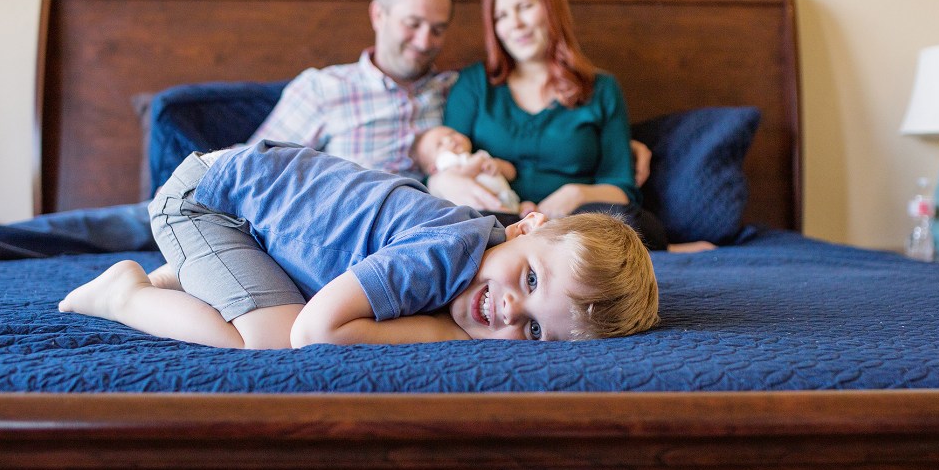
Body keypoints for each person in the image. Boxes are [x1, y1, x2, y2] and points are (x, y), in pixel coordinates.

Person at [0, 0, 503, 262]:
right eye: (412, 23)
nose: (425, 41)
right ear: (378, 15)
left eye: (437, 29)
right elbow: (254, 160)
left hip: (397, 230)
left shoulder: (457, 92)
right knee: (131, 221)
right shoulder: (325, 87)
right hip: (312, 212)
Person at [59, 141, 659, 348]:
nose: (507, 310)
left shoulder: (476, 251)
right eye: (529, 280)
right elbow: (314, 333)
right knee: (269, 340)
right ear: (525, 225)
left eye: (533, 331)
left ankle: (187, 274)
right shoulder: (446, 253)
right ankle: (125, 293)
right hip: (210, 199)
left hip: (259, 216)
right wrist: (442, 334)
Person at [428, 0, 694, 251]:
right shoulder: (473, 84)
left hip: (576, 224)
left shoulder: (602, 89)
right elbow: (445, 158)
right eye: (501, 16)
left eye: (525, 7)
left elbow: (622, 189)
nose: (515, 23)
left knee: (637, 224)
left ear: (551, 9)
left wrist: (576, 194)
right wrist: (442, 182)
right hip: (498, 218)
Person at [412, 125, 521, 213]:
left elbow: (512, 174)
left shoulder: (480, 155)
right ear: (434, 169)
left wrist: (499, 165)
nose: (449, 139)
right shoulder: (449, 172)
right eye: (439, 144)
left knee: (525, 208)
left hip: (510, 200)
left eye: (452, 133)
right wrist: (478, 162)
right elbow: (462, 174)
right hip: (483, 213)